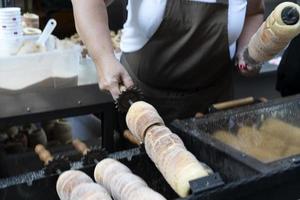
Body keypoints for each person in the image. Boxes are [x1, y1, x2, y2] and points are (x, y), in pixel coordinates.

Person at [71, 0, 264, 123]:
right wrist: (104, 59)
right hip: (144, 105)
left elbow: (253, 13)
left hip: (214, 106)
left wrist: (248, 50)